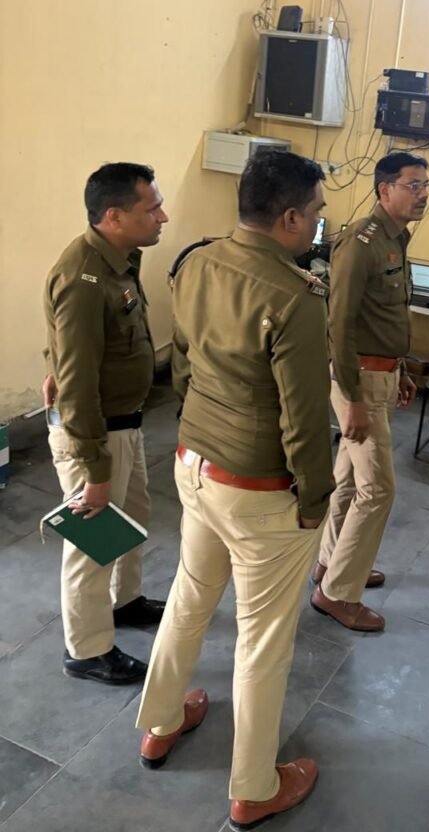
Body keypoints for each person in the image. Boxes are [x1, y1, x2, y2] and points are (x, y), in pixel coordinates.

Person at [136, 150, 334, 831]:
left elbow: (184, 364)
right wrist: (315, 499)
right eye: (316, 213)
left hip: (196, 463)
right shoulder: (296, 297)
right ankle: (253, 787)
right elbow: (304, 419)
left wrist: (200, 431)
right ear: (289, 218)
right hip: (258, 488)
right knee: (264, 640)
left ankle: (161, 721)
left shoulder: (196, 262)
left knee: (190, 598)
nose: (318, 224)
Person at [43, 162, 168, 685]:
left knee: (132, 517)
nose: (163, 217)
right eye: (152, 209)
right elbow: (75, 387)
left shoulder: (119, 261)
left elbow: (77, 350)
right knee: (91, 544)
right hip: (95, 433)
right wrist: (94, 471)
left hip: (124, 422)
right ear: (113, 216)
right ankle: (88, 649)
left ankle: (125, 601)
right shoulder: (84, 278)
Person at [310, 151, 429, 632]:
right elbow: (339, 325)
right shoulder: (360, 243)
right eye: (413, 185)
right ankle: (338, 593)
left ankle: (331, 563)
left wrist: (401, 369)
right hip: (356, 379)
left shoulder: (395, 239)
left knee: (349, 479)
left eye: (424, 185)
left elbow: (386, 317)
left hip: (381, 373)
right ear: (384, 189)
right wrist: (353, 398)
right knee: (378, 489)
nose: (422, 194)